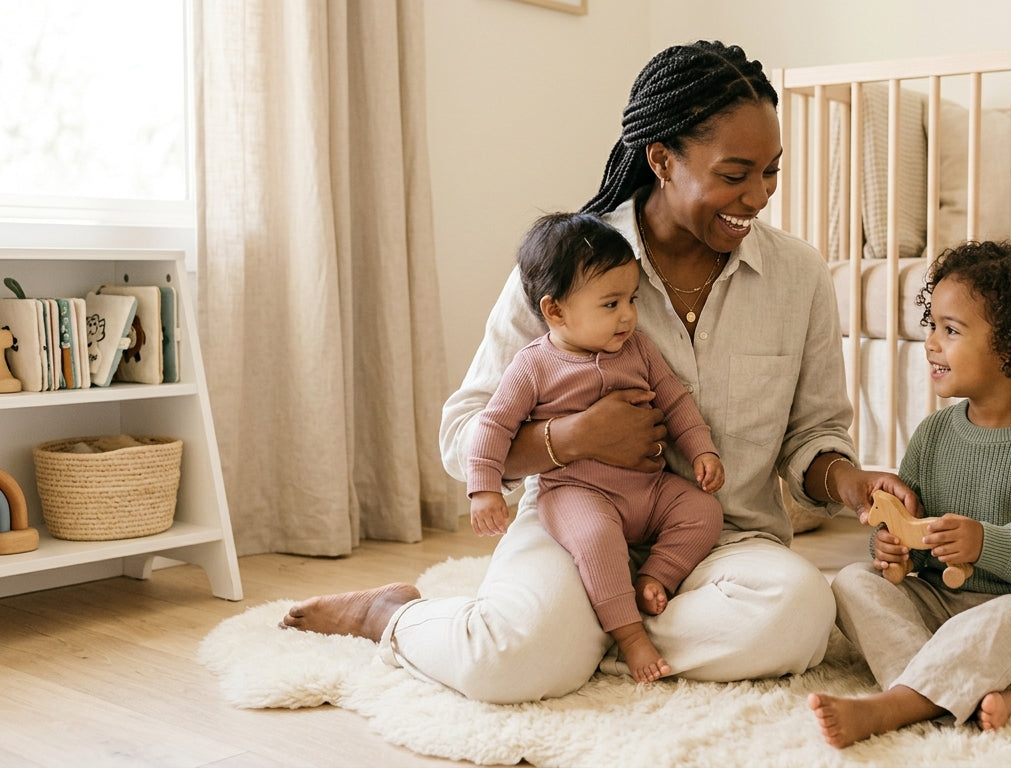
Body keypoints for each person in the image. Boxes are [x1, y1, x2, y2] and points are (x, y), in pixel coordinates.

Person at [280, 40, 914, 703]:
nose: (757, 197)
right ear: (661, 160)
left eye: (771, 171)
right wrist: (572, 438)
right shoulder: (567, 265)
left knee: (801, 611)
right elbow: (462, 433)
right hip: (572, 526)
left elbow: (812, 435)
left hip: (719, 541)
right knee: (504, 665)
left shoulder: (799, 276)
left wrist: (849, 482)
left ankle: (589, 637)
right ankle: (395, 615)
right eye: (735, 174)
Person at [809, 240, 1011, 747]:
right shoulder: (934, 434)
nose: (930, 342)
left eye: (950, 330)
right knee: (853, 582)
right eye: (932, 325)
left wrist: (986, 544)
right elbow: (909, 533)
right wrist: (891, 549)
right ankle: (963, 690)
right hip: (944, 606)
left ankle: (895, 706)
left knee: (1004, 619)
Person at [467, 211, 726, 683]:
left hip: (648, 489)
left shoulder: (638, 349)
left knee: (703, 512)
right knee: (596, 540)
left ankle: (655, 578)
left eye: (631, 299)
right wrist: (484, 490)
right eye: (610, 304)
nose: (628, 314)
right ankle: (631, 637)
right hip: (578, 494)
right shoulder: (533, 366)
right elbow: (494, 425)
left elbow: (675, 401)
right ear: (555, 312)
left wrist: (701, 450)